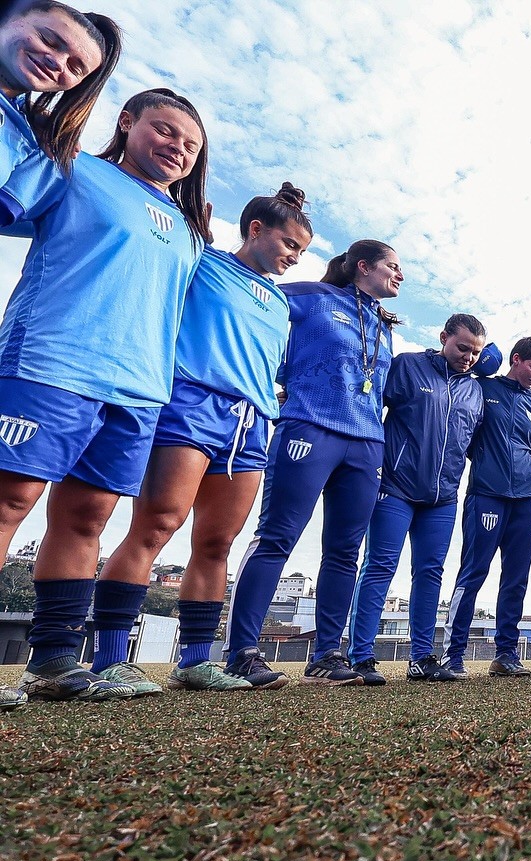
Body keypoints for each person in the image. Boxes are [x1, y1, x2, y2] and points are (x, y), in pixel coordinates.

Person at [1, 88, 208, 704]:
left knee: (87, 516)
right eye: (166, 131)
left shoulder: (189, 230)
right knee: (10, 499)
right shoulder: (72, 167)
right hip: (52, 360)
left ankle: (56, 660)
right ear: (127, 122)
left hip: (139, 387)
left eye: (191, 145)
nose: (178, 149)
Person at [79, 184, 313, 697]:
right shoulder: (202, 262)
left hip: (251, 422)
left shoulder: (279, 300)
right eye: (290, 244)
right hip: (190, 404)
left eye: (302, 250)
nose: (295, 257)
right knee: (157, 524)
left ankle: (195, 661)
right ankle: (110, 659)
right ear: (255, 229)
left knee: (217, 542)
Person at [222, 238, 401, 687]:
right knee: (277, 536)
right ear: (363, 266)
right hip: (308, 427)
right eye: (393, 267)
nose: (400, 276)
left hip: (366, 443)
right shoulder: (306, 296)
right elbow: (252, 313)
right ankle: (241, 651)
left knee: (344, 553)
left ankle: (326, 657)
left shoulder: (384, 323)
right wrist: (273, 382)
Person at [347, 315, 500, 684]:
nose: (468, 357)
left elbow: (471, 442)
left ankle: (421, 659)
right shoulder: (408, 366)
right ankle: (361, 657)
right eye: (462, 347)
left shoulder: (475, 391)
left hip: (443, 496)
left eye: (476, 352)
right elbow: (368, 409)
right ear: (443, 336)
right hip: (395, 487)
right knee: (380, 566)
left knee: (430, 573)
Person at [442, 336, 531, 679]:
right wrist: (483, 361)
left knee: (516, 578)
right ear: (516, 359)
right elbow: (463, 426)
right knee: (474, 572)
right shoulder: (481, 388)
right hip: (487, 495)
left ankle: (506, 654)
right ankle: (453, 655)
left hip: (528, 500)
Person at [0, 1, 119, 186]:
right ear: (9, 17)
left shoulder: (29, 137)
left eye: (74, 67)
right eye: (48, 40)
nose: (57, 62)